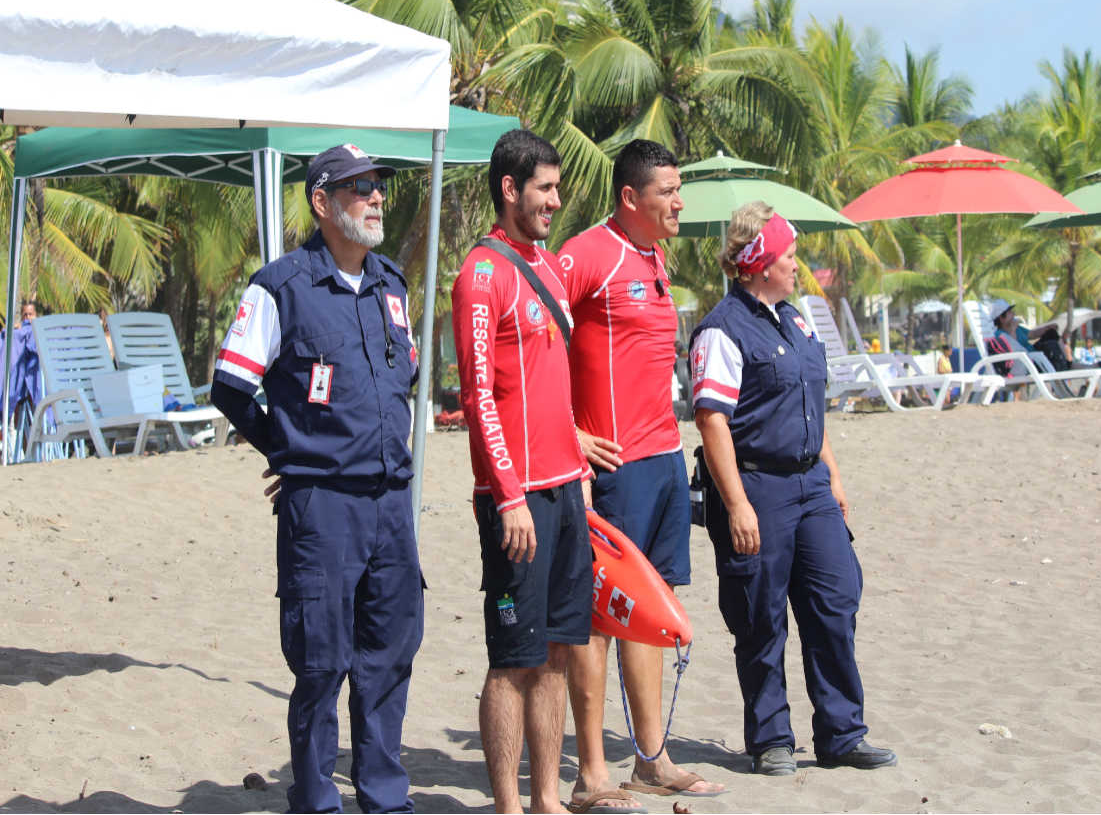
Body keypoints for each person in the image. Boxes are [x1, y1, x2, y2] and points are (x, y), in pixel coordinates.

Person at [211, 143, 424, 813]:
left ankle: (385, 799)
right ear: (322, 203)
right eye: (360, 188)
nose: (376, 198)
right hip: (323, 509)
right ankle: (315, 801)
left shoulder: (393, 287)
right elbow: (232, 386)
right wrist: (288, 450)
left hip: (392, 506)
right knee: (320, 664)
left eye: (378, 187)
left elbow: (405, 381)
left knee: (387, 660)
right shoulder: (280, 288)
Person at [689, 201, 896, 776]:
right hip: (757, 485)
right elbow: (712, 423)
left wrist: (832, 475)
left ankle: (842, 733)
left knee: (836, 601)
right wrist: (736, 505)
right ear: (758, 263)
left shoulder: (797, 320)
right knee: (760, 618)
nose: (797, 267)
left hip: (811, 486)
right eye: (788, 256)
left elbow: (813, 406)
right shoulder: (721, 331)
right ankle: (771, 739)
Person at [557, 140, 724, 812]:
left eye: (679, 189)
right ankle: (591, 771)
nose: (679, 201)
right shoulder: (588, 254)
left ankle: (650, 759)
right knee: (600, 617)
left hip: (662, 461)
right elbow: (529, 334)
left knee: (650, 612)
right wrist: (568, 434)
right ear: (631, 198)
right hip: (612, 466)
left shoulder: (655, 258)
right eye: (668, 191)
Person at [451, 129, 594, 814]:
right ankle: (509, 805)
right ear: (510, 189)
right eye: (544, 189)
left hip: (566, 489)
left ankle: (547, 801)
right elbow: (478, 394)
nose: (555, 201)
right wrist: (508, 495)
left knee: (559, 654)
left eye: (557, 189)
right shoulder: (482, 275)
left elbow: (552, 383)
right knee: (514, 657)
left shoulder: (553, 268)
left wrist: (579, 464)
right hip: (517, 498)